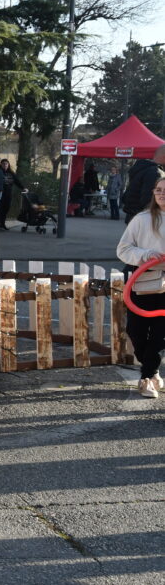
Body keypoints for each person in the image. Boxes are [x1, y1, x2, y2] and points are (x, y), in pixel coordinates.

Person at [117, 177, 165, 399]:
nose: (161, 194)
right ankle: (152, 371)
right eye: (158, 190)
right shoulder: (142, 219)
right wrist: (145, 255)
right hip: (142, 283)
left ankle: (146, 378)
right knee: (135, 331)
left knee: (160, 336)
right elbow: (123, 249)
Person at [122, 146, 165, 223]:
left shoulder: (144, 169)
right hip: (144, 219)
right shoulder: (154, 172)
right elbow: (149, 199)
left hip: (136, 216)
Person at [0, 160, 26, 230]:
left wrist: (23, 188)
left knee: (6, 208)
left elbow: (17, 181)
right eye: (3, 164)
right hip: (0, 193)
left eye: (6, 164)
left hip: (8, 193)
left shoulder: (11, 173)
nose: (5, 165)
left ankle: (2, 224)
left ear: (8, 165)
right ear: (1, 165)